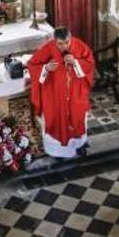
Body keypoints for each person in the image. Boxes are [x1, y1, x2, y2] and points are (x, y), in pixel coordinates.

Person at [28, 27, 95, 158]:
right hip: (54, 94)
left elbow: (90, 63)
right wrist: (46, 68)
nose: (64, 46)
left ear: (70, 38)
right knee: (56, 120)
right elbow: (32, 64)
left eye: (67, 42)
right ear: (55, 40)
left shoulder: (79, 45)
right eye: (60, 43)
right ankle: (57, 150)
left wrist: (76, 62)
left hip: (76, 92)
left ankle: (79, 145)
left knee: (77, 117)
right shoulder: (49, 48)